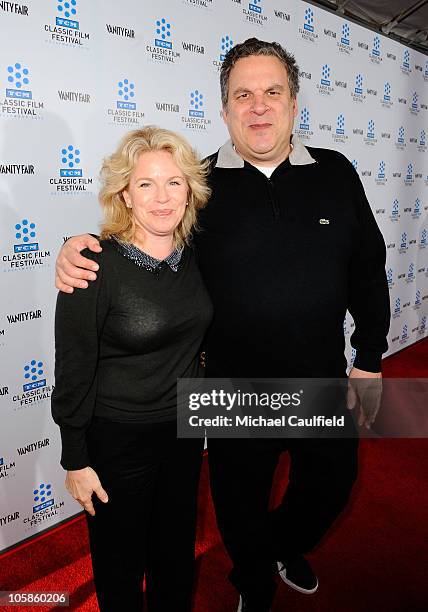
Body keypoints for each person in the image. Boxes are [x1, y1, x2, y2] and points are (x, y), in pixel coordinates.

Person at [54, 39, 390, 612]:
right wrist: (80, 245)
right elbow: (147, 234)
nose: (258, 106)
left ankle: (278, 547)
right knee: (238, 503)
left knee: (332, 486)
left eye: (272, 92)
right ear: (225, 108)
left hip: (320, 378)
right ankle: (253, 581)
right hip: (230, 387)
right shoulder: (200, 186)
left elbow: (369, 267)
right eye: (243, 95)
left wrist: (369, 358)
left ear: (293, 102)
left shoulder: (336, 172)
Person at [51, 126, 213, 612]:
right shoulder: (93, 266)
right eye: (146, 184)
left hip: (183, 432)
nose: (162, 198)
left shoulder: (196, 258)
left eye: (174, 183)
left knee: (175, 556)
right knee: (120, 566)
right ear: (124, 192)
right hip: (116, 440)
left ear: (191, 191)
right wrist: (75, 460)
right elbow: (74, 368)